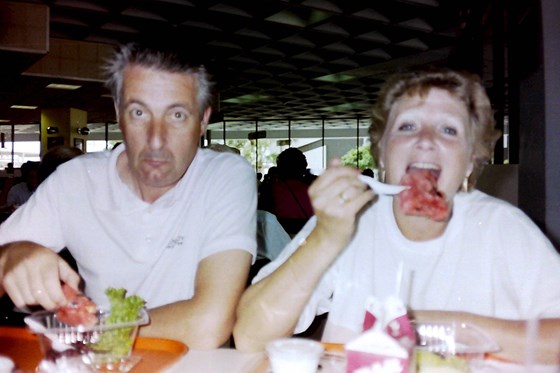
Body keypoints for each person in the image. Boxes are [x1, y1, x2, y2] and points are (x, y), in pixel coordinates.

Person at [234, 68, 560, 364]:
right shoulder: (350, 220)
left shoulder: (502, 228)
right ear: (383, 151)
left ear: (471, 161)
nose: (425, 139)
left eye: (448, 129)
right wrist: (326, 237)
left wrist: (427, 327)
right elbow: (250, 335)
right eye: (408, 126)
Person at [0, 42, 257, 349]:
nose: (156, 139)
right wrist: (8, 257)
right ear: (118, 114)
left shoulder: (225, 175)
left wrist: (88, 331)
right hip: (100, 365)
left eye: (177, 115)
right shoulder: (76, 180)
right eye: (139, 112)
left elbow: (209, 325)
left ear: (202, 120)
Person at [258, 148, 314, 236]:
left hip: (280, 240)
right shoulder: (314, 189)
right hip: (309, 238)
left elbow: (262, 217)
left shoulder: (270, 189)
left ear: (280, 168)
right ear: (304, 167)